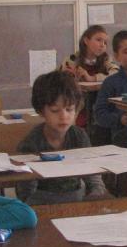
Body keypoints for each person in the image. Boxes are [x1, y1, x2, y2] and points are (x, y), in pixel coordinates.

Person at [16, 71, 108, 205]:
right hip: (41, 202)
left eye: (69, 109)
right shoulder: (31, 142)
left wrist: (96, 194)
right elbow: (25, 190)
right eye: (55, 110)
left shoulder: (79, 136)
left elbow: (92, 173)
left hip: (76, 200)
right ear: (41, 111)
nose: (63, 116)